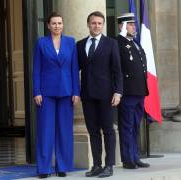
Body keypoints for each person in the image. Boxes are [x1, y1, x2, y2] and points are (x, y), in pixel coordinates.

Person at [32, 12, 80, 179]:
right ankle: (44, 168)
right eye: (53, 23)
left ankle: (63, 166)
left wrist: (76, 91)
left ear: (63, 25)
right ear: (48, 25)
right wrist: (36, 91)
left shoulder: (71, 42)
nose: (57, 26)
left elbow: (74, 69)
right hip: (46, 93)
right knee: (45, 131)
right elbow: (36, 69)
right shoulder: (41, 43)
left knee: (65, 130)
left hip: (67, 92)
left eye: (59, 23)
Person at [77, 11, 123, 178]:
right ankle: (96, 165)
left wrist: (118, 92)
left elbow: (117, 70)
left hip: (107, 95)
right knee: (93, 131)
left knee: (108, 130)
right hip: (88, 95)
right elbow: (76, 70)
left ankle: (109, 165)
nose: (96, 26)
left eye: (99, 23)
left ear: (102, 25)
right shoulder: (80, 45)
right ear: (88, 24)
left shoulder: (111, 43)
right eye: (93, 23)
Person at [117, 13, 150, 169]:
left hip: (139, 92)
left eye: (133, 24)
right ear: (122, 26)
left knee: (136, 126)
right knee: (127, 126)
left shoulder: (135, 43)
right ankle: (127, 158)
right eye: (130, 24)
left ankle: (135, 156)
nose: (133, 27)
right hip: (128, 92)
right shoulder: (118, 43)